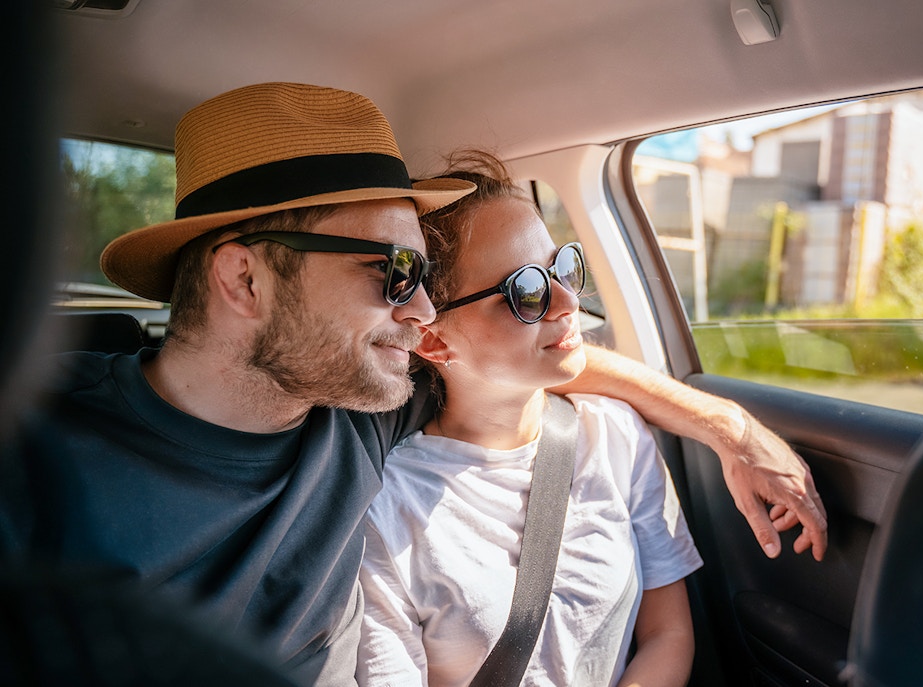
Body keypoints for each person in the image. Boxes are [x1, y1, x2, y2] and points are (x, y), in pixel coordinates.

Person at [0, 82, 826, 686]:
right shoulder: (36, 452)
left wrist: (728, 425)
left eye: (426, 274)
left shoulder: (364, 409)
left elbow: (544, 356)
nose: (423, 310)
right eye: (394, 273)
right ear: (244, 282)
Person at [357, 153, 704, 687]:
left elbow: (668, 633)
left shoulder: (615, 434)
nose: (568, 302)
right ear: (432, 338)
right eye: (526, 290)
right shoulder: (386, 508)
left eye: (562, 267)